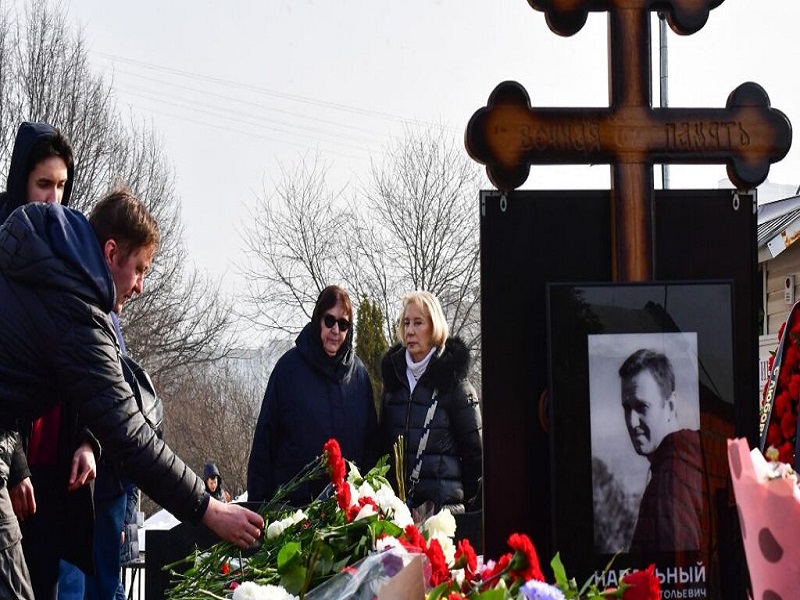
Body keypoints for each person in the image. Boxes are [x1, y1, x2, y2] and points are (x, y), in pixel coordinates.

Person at [0, 196, 263, 599]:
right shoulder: (78, 311)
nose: (140, 285)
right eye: (139, 269)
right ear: (110, 253)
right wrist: (209, 510)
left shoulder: (44, 266)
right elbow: (130, 436)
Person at [0, 121, 99, 600]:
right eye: (43, 184)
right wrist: (15, 464)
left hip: (56, 470)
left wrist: (88, 440)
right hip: (9, 460)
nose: (53, 199)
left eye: (62, 186)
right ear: (21, 180)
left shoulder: (71, 254)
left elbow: (98, 365)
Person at [247, 285, 379, 505]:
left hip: (346, 512)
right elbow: (265, 440)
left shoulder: (359, 376)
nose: (336, 330)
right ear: (318, 319)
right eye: (330, 321)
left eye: (343, 324)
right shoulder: (288, 370)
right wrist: (256, 506)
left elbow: (371, 445)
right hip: (293, 512)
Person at [380, 291, 482, 515]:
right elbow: (382, 449)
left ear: (434, 327)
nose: (410, 331)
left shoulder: (456, 384)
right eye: (406, 323)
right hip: (397, 516)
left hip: (443, 516)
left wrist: (471, 511)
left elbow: (476, 456)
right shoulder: (393, 383)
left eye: (418, 323)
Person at [619, 348, 705, 552]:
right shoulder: (686, 462)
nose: (632, 422)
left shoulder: (670, 477)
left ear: (671, 406)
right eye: (626, 408)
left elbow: (678, 573)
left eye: (642, 407)